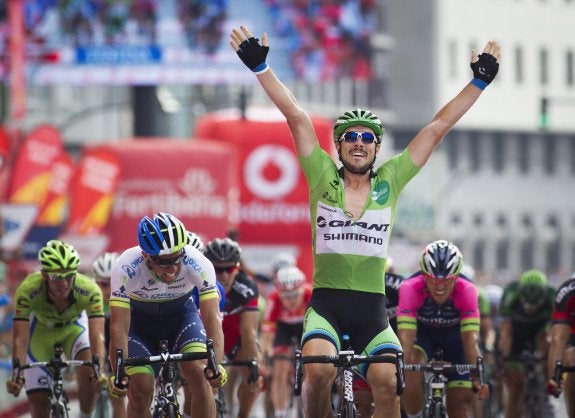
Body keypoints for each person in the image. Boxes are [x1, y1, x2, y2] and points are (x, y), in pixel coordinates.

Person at [230, 23, 500, 418]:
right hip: (326, 305)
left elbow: (436, 128)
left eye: (368, 138)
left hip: (372, 311)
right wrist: (260, 68)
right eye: (351, 136)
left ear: (376, 147)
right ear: (339, 145)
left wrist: (478, 83)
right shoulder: (322, 175)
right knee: (319, 371)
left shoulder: (390, 180)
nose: (359, 142)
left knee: (388, 382)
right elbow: (296, 116)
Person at [107, 212, 226, 418]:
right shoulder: (126, 267)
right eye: (164, 262)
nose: (172, 268)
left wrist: (216, 365)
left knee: (201, 374)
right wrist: (119, 373)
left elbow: (211, 318)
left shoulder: (197, 262)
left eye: (177, 258)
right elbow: (118, 325)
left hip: (182, 320)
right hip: (140, 328)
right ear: (146, 256)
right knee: (140, 390)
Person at [6, 240, 106, 418]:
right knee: (38, 401)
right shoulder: (28, 290)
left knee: (90, 373)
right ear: (44, 275)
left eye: (69, 276)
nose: (64, 283)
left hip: (74, 329)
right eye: (56, 277)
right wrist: (17, 373)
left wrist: (99, 370)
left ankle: (85, 415)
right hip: (41, 333)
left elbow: (97, 335)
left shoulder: (89, 289)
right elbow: (20, 338)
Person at [397, 240, 488, 418]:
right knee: (411, 366)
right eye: (433, 280)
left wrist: (478, 377)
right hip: (423, 337)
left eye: (447, 280)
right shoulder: (410, 287)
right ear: (424, 276)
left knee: (459, 407)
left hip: (456, 341)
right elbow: (406, 338)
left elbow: (470, 339)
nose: (440, 286)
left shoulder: (467, 290)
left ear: (456, 276)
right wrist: (399, 374)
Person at [204, 237, 262, 418]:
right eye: (218, 269)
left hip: (233, 337)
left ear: (238, 267)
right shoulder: (198, 284)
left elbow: (249, 332)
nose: (224, 275)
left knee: (253, 379)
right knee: (206, 383)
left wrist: (254, 366)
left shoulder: (247, 288)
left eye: (229, 269)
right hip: (207, 336)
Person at [497, 269, 555, 418]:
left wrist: (549, 357)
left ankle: (548, 390)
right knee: (515, 389)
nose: (531, 310)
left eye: (535, 306)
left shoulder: (552, 296)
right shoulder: (511, 294)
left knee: (549, 344)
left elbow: (556, 331)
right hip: (516, 335)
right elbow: (506, 332)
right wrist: (503, 358)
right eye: (528, 306)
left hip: (540, 331)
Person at [260, 265, 312, 418]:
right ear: (279, 293)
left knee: (310, 365)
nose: (292, 300)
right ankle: (280, 412)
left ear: (302, 289)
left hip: (305, 326)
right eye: (286, 296)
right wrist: (266, 354)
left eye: (295, 294)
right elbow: (267, 334)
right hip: (283, 328)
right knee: (280, 370)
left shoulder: (310, 294)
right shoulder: (274, 298)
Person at [92, 251, 126, 418]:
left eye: (113, 283)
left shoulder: (126, 296)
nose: (108, 289)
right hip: (98, 340)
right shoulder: (89, 299)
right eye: (103, 284)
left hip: (118, 342)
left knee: (118, 397)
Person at [547, 271, 575, 416]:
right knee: (570, 356)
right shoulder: (567, 292)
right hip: (573, 331)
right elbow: (558, 339)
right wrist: (555, 379)